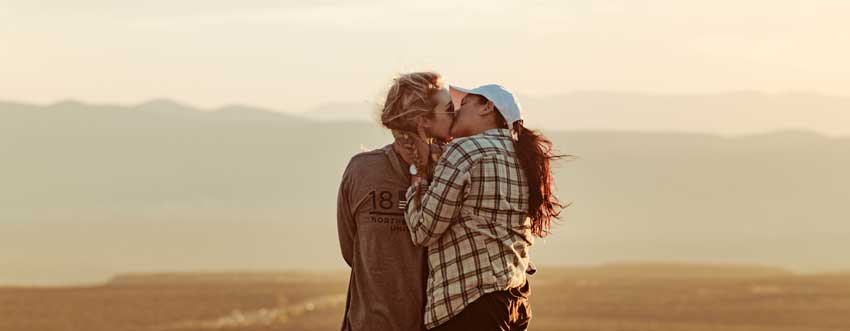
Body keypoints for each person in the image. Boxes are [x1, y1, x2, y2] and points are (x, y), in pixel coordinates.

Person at [403, 84, 566, 330]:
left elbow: (423, 229)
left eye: (464, 104)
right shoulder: (520, 155)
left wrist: (417, 183)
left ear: (487, 107)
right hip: (514, 297)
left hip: (469, 301)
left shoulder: (466, 150)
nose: (456, 112)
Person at [336, 72, 456, 331]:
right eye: (449, 110)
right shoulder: (363, 170)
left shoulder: (452, 173)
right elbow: (352, 251)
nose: (456, 115)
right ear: (423, 121)